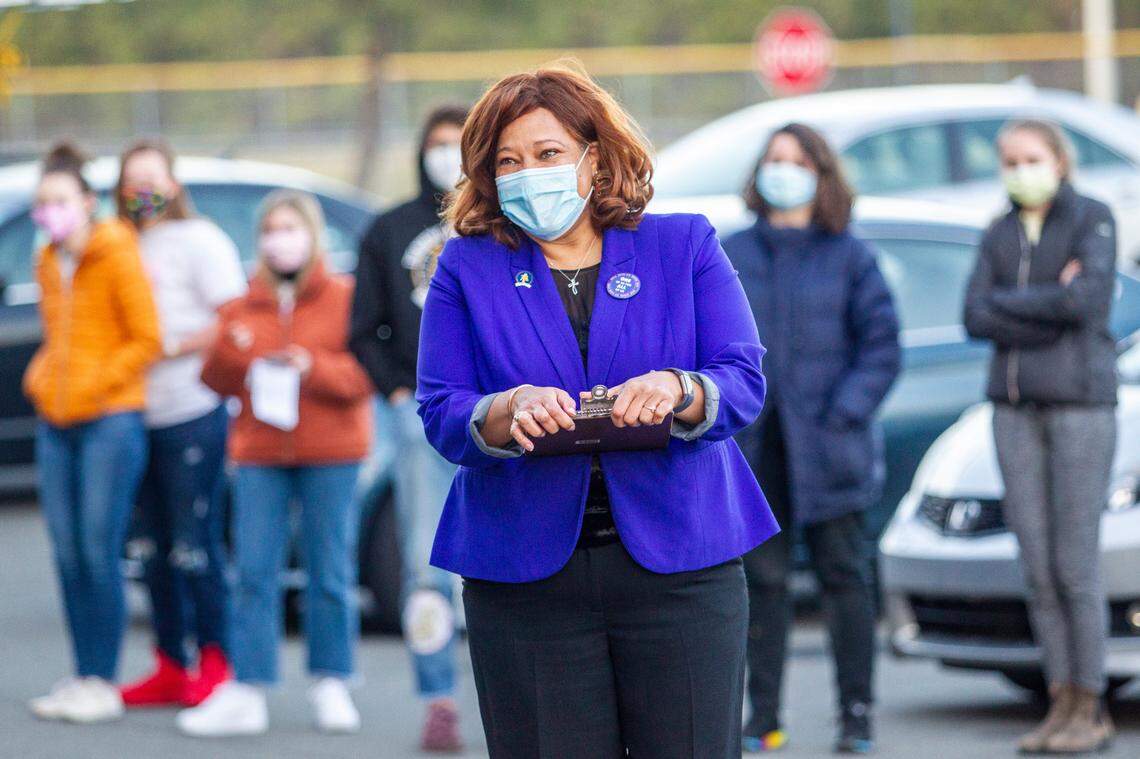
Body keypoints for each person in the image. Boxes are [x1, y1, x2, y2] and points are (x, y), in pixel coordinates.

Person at [417, 63, 778, 758]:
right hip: (526, 584)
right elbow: (442, 408)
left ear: (593, 155)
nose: (529, 173)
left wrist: (681, 388)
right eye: (508, 162)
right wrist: (505, 409)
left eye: (548, 154)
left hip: (682, 571)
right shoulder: (465, 266)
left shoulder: (685, 244)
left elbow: (741, 379)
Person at [723, 123, 901, 755]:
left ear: (821, 174)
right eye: (774, 159)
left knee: (845, 581)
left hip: (830, 448)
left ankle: (856, 715)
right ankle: (762, 718)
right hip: (753, 447)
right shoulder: (731, 252)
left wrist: (843, 413)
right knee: (761, 584)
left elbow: (881, 348)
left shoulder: (850, 255)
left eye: (797, 161)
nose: (783, 170)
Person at [177, 190, 374, 736]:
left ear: (311, 235)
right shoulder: (244, 303)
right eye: (270, 230)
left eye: (290, 228)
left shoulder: (344, 296)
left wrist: (311, 365)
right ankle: (249, 686)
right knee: (253, 572)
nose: (279, 239)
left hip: (331, 451)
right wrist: (231, 348)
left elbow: (363, 378)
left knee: (329, 571)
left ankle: (332, 680)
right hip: (261, 452)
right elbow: (214, 379)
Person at [963, 119, 1118, 755]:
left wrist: (1012, 304)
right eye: (1008, 160)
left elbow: (1088, 303)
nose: (1019, 169)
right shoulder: (998, 230)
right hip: (1014, 410)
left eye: (1031, 157)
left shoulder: (1093, 218)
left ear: (1059, 160)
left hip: (1079, 407)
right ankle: (1060, 701)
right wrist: (1043, 300)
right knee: (1037, 568)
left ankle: (1091, 703)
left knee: (1074, 567)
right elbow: (973, 315)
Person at [24, 143, 162, 723]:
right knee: (67, 554)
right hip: (56, 425)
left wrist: (97, 386)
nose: (49, 213)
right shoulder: (47, 261)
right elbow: (58, 338)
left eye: (59, 201)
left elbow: (145, 337)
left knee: (97, 550)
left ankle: (103, 680)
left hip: (110, 420)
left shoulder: (115, 250)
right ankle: (82, 674)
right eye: (41, 204)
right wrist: (44, 379)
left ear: (86, 202)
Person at [349, 103, 468, 752]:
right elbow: (363, 328)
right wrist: (397, 389)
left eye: (459, 142)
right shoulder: (390, 229)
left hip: (499, 415)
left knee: (506, 566)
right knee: (427, 570)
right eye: (437, 143)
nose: (447, 154)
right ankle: (439, 699)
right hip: (419, 417)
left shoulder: (497, 225)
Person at [115, 139, 246, 708]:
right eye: (132, 180)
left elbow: (230, 319)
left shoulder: (200, 240)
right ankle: (170, 660)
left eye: (152, 178)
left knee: (197, 544)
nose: (143, 191)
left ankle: (217, 661)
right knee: (150, 546)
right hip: (128, 416)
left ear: (173, 183)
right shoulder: (118, 245)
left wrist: (168, 346)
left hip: (190, 411)